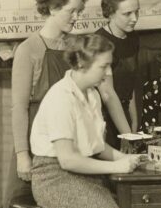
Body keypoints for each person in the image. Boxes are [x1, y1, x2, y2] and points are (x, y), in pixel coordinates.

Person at [30, 33, 143, 208]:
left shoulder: (92, 95)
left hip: (85, 172)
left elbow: (97, 146)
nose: (107, 73)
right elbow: (68, 160)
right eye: (103, 67)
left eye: (109, 66)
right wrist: (116, 166)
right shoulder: (61, 97)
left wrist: (127, 158)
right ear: (82, 64)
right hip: (54, 177)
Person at [7, 0, 87, 208]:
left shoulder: (75, 46)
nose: (76, 17)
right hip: (37, 138)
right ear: (52, 8)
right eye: (71, 11)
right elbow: (19, 107)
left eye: (79, 12)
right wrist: (23, 155)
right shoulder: (27, 49)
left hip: (70, 136)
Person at [95, 0, 140, 149]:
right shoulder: (100, 42)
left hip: (125, 116)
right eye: (127, 14)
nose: (134, 18)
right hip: (104, 118)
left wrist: (134, 123)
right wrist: (127, 134)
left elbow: (131, 84)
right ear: (110, 13)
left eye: (137, 11)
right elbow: (108, 94)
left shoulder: (133, 38)